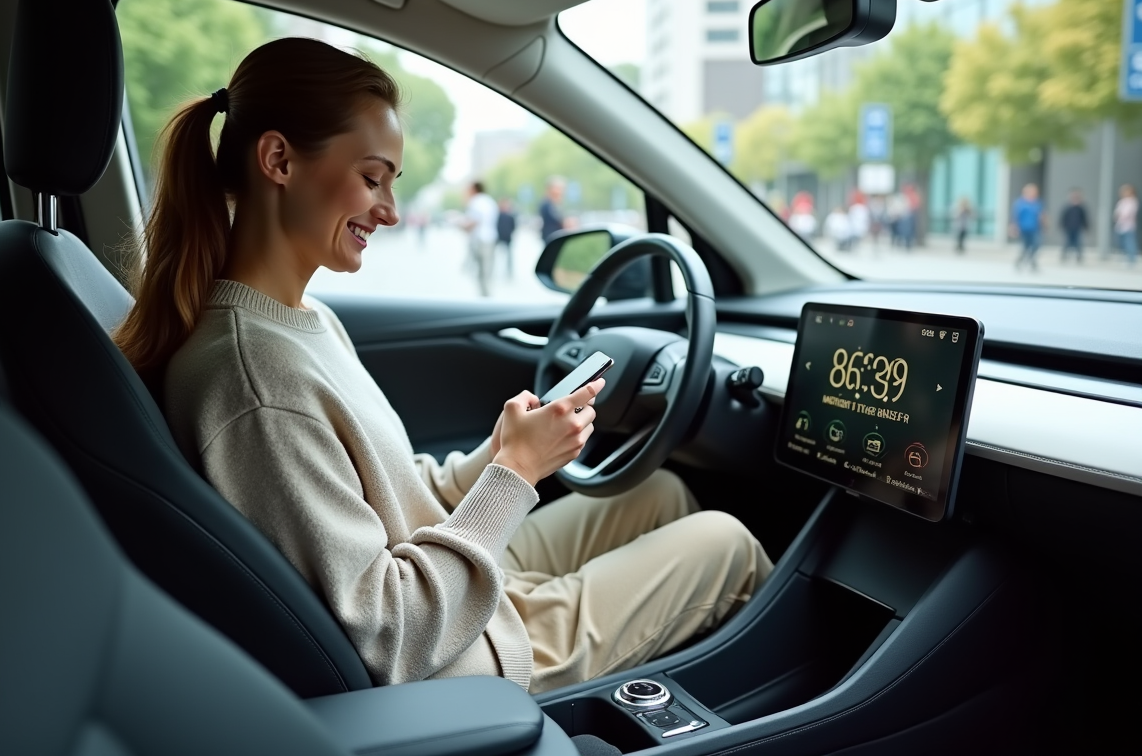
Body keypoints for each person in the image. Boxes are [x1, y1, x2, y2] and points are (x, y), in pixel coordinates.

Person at [111, 38, 771, 696]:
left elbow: (391, 488)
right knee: (727, 543)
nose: (390, 211)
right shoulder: (257, 382)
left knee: (658, 494)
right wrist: (516, 473)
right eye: (372, 178)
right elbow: (387, 636)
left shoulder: (300, 320)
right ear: (279, 159)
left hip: (448, 583)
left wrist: (499, 455)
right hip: (462, 657)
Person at [464, 181, 499, 297]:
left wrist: (462, 226)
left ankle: (484, 296)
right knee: (487, 270)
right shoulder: (490, 201)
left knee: (481, 271)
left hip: (480, 240)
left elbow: (474, 221)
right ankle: (486, 294)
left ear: (474, 189)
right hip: (490, 239)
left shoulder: (476, 201)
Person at [1011, 183, 1045, 271]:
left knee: (1036, 245)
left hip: (1035, 228)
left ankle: (1031, 259)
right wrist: (1014, 227)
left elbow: (1041, 215)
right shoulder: (1020, 203)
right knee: (1025, 246)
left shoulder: (1037, 203)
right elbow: (1015, 216)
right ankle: (1021, 261)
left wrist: (1044, 223)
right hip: (1023, 228)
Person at [1059, 188, 1088, 263]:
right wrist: (1063, 226)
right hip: (1069, 228)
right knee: (1067, 242)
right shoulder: (1067, 207)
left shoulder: (1080, 208)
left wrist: (1086, 226)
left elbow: (1084, 218)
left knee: (1078, 243)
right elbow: (1063, 217)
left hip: (1077, 228)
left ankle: (1079, 256)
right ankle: (1064, 255)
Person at [1114, 183, 1138, 266]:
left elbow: (1127, 213)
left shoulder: (1132, 201)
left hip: (1128, 226)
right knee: (1122, 243)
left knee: (1129, 242)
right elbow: (1117, 212)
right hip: (1120, 225)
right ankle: (1125, 257)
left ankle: (1131, 259)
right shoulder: (1121, 201)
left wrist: (1121, 215)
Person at [539, 177, 567, 242]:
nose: (561, 191)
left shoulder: (555, 204)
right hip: (552, 238)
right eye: (558, 188)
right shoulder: (547, 205)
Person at [496, 196, 516, 277]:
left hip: (507, 238)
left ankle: (509, 271)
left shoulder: (510, 216)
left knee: (509, 256)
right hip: (499, 238)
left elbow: (513, 227)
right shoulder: (498, 215)